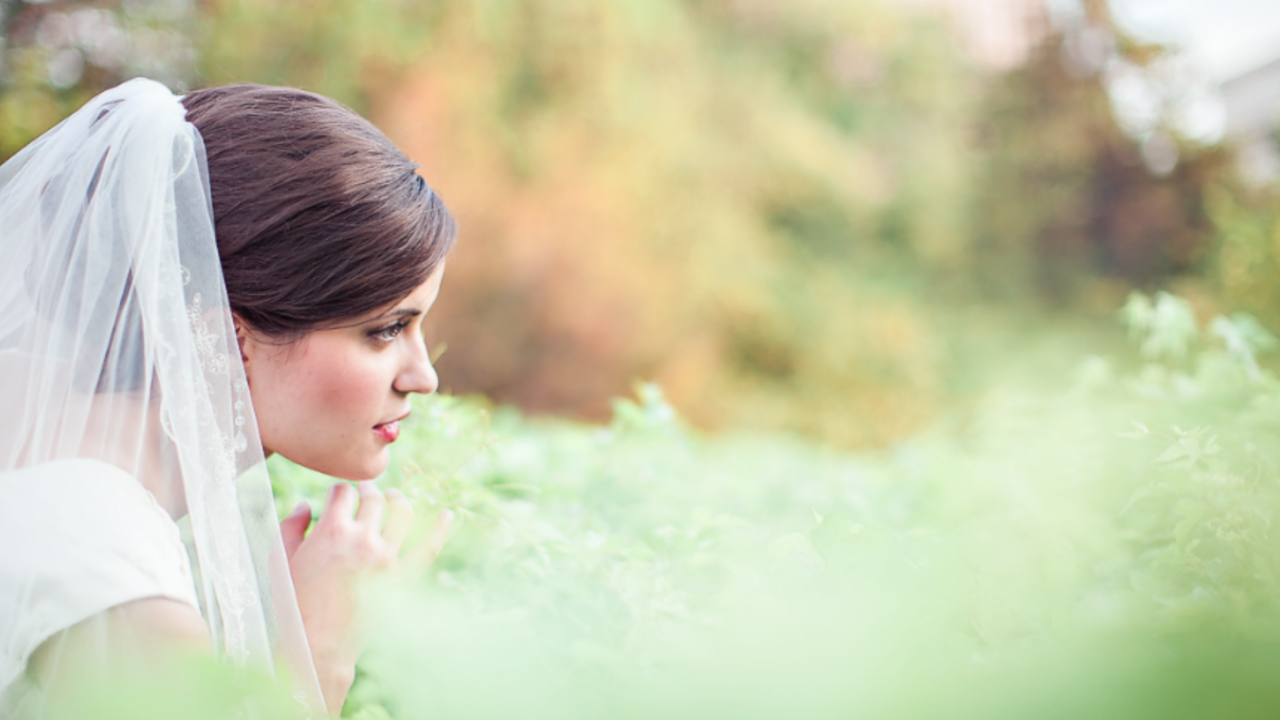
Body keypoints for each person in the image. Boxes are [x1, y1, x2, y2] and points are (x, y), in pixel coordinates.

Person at [0, 78, 456, 717]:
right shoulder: (105, 560)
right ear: (223, 336)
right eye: (385, 330)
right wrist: (318, 655)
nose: (422, 375)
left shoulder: (35, 437)